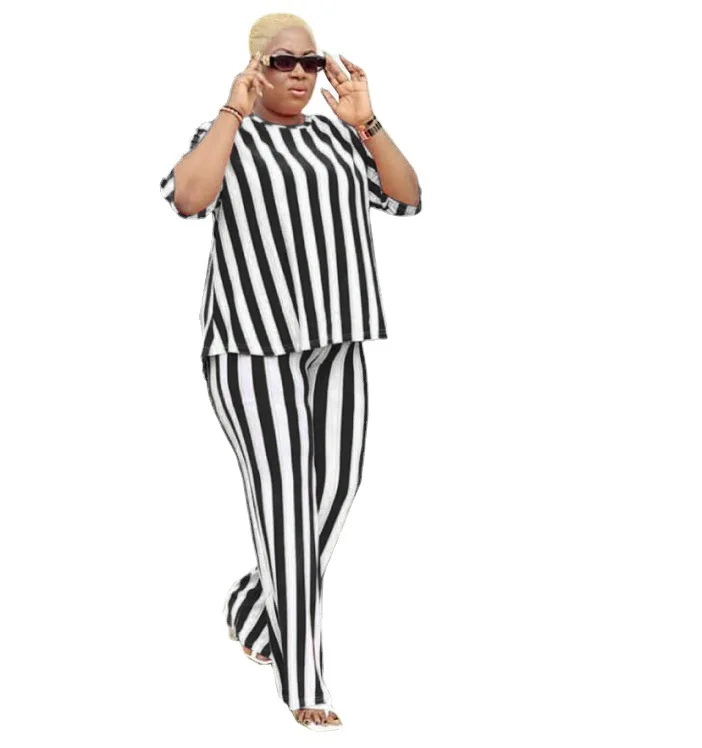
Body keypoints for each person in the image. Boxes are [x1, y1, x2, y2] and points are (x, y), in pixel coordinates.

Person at [159, 11, 422, 731]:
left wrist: (368, 122)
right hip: (252, 346)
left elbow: (407, 198)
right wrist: (231, 110)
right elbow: (187, 198)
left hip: (340, 338)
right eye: (284, 62)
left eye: (311, 60)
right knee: (285, 507)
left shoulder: (339, 139)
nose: (301, 73)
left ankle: (252, 607)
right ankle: (304, 682)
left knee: (332, 494)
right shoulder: (226, 136)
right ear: (256, 67)